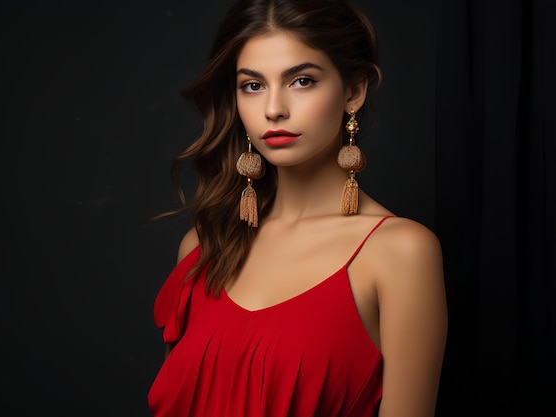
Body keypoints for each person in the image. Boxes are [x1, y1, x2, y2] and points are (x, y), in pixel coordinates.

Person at [147, 0, 447, 416]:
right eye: (252, 85)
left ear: (353, 91)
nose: (273, 109)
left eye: (301, 81)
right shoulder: (204, 246)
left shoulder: (399, 253)